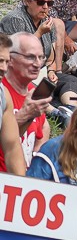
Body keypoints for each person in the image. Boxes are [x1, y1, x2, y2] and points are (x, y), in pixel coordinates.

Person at [1, 0, 77, 112]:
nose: (45, 7)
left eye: (49, 3)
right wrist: (39, 33)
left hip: (40, 72)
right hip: (19, 73)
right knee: (32, 88)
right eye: (41, 3)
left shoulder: (46, 21)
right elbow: (15, 53)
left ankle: (71, 109)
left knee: (72, 81)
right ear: (28, 2)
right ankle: (55, 112)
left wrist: (51, 71)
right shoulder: (15, 19)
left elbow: (50, 57)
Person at [0, 33, 51, 171]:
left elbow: (43, 129)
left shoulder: (33, 93)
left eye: (41, 57)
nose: (37, 64)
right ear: (11, 58)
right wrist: (24, 115)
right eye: (30, 57)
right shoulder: (3, 93)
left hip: (20, 178)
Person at [0, 34, 26, 175]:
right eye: (0, 61)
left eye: (7, 62)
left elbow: (12, 148)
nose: (4, 68)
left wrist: (21, 184)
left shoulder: (3, 95)